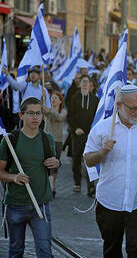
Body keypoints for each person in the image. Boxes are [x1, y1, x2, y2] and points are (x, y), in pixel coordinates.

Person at [84, 85, 137, 257]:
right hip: (109, 201)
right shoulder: (103, 128)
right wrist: (102, 152)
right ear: (119, 105)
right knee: (111, 249)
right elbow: (88, 160)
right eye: (133, 108)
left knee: (136, 249)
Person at [0, 97, 60, 257]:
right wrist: (14, 178)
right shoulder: (10, 140)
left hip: (40, 204)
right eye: (31, 113)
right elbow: (0, 171)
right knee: (16, 251)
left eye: (39, 113)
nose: (35, 117)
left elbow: (53, 164)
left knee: (45, 251)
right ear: (21, 115)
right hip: (15, 204)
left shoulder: (47, 139)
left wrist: (56, 163)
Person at [67, 74, 99, 196]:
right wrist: (75, 128)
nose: (85, 84)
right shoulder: (74, 98)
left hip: (91, 134)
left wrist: (95, 131)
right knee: (76, 158)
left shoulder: (95, 99)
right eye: (83, 81)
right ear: (79, 84)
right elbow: (70, 116)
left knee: (90, 160)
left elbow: (97, 117)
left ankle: (91, 186)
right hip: (77, 134)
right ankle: (77, 182)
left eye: (87, 82)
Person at [43, 91, 67, 198]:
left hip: (57, 141)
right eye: (52, 98)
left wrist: (50, 110)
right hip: (47, 140)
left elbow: (59, 117)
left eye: (55, 98)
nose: (53, 100)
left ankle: (53, 184)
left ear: (60, 101)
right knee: (48, 163)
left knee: (55, 164)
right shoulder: (47, 111)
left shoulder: (63, 112)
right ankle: (50, 186)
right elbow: (42, 108)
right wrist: (42, 97)